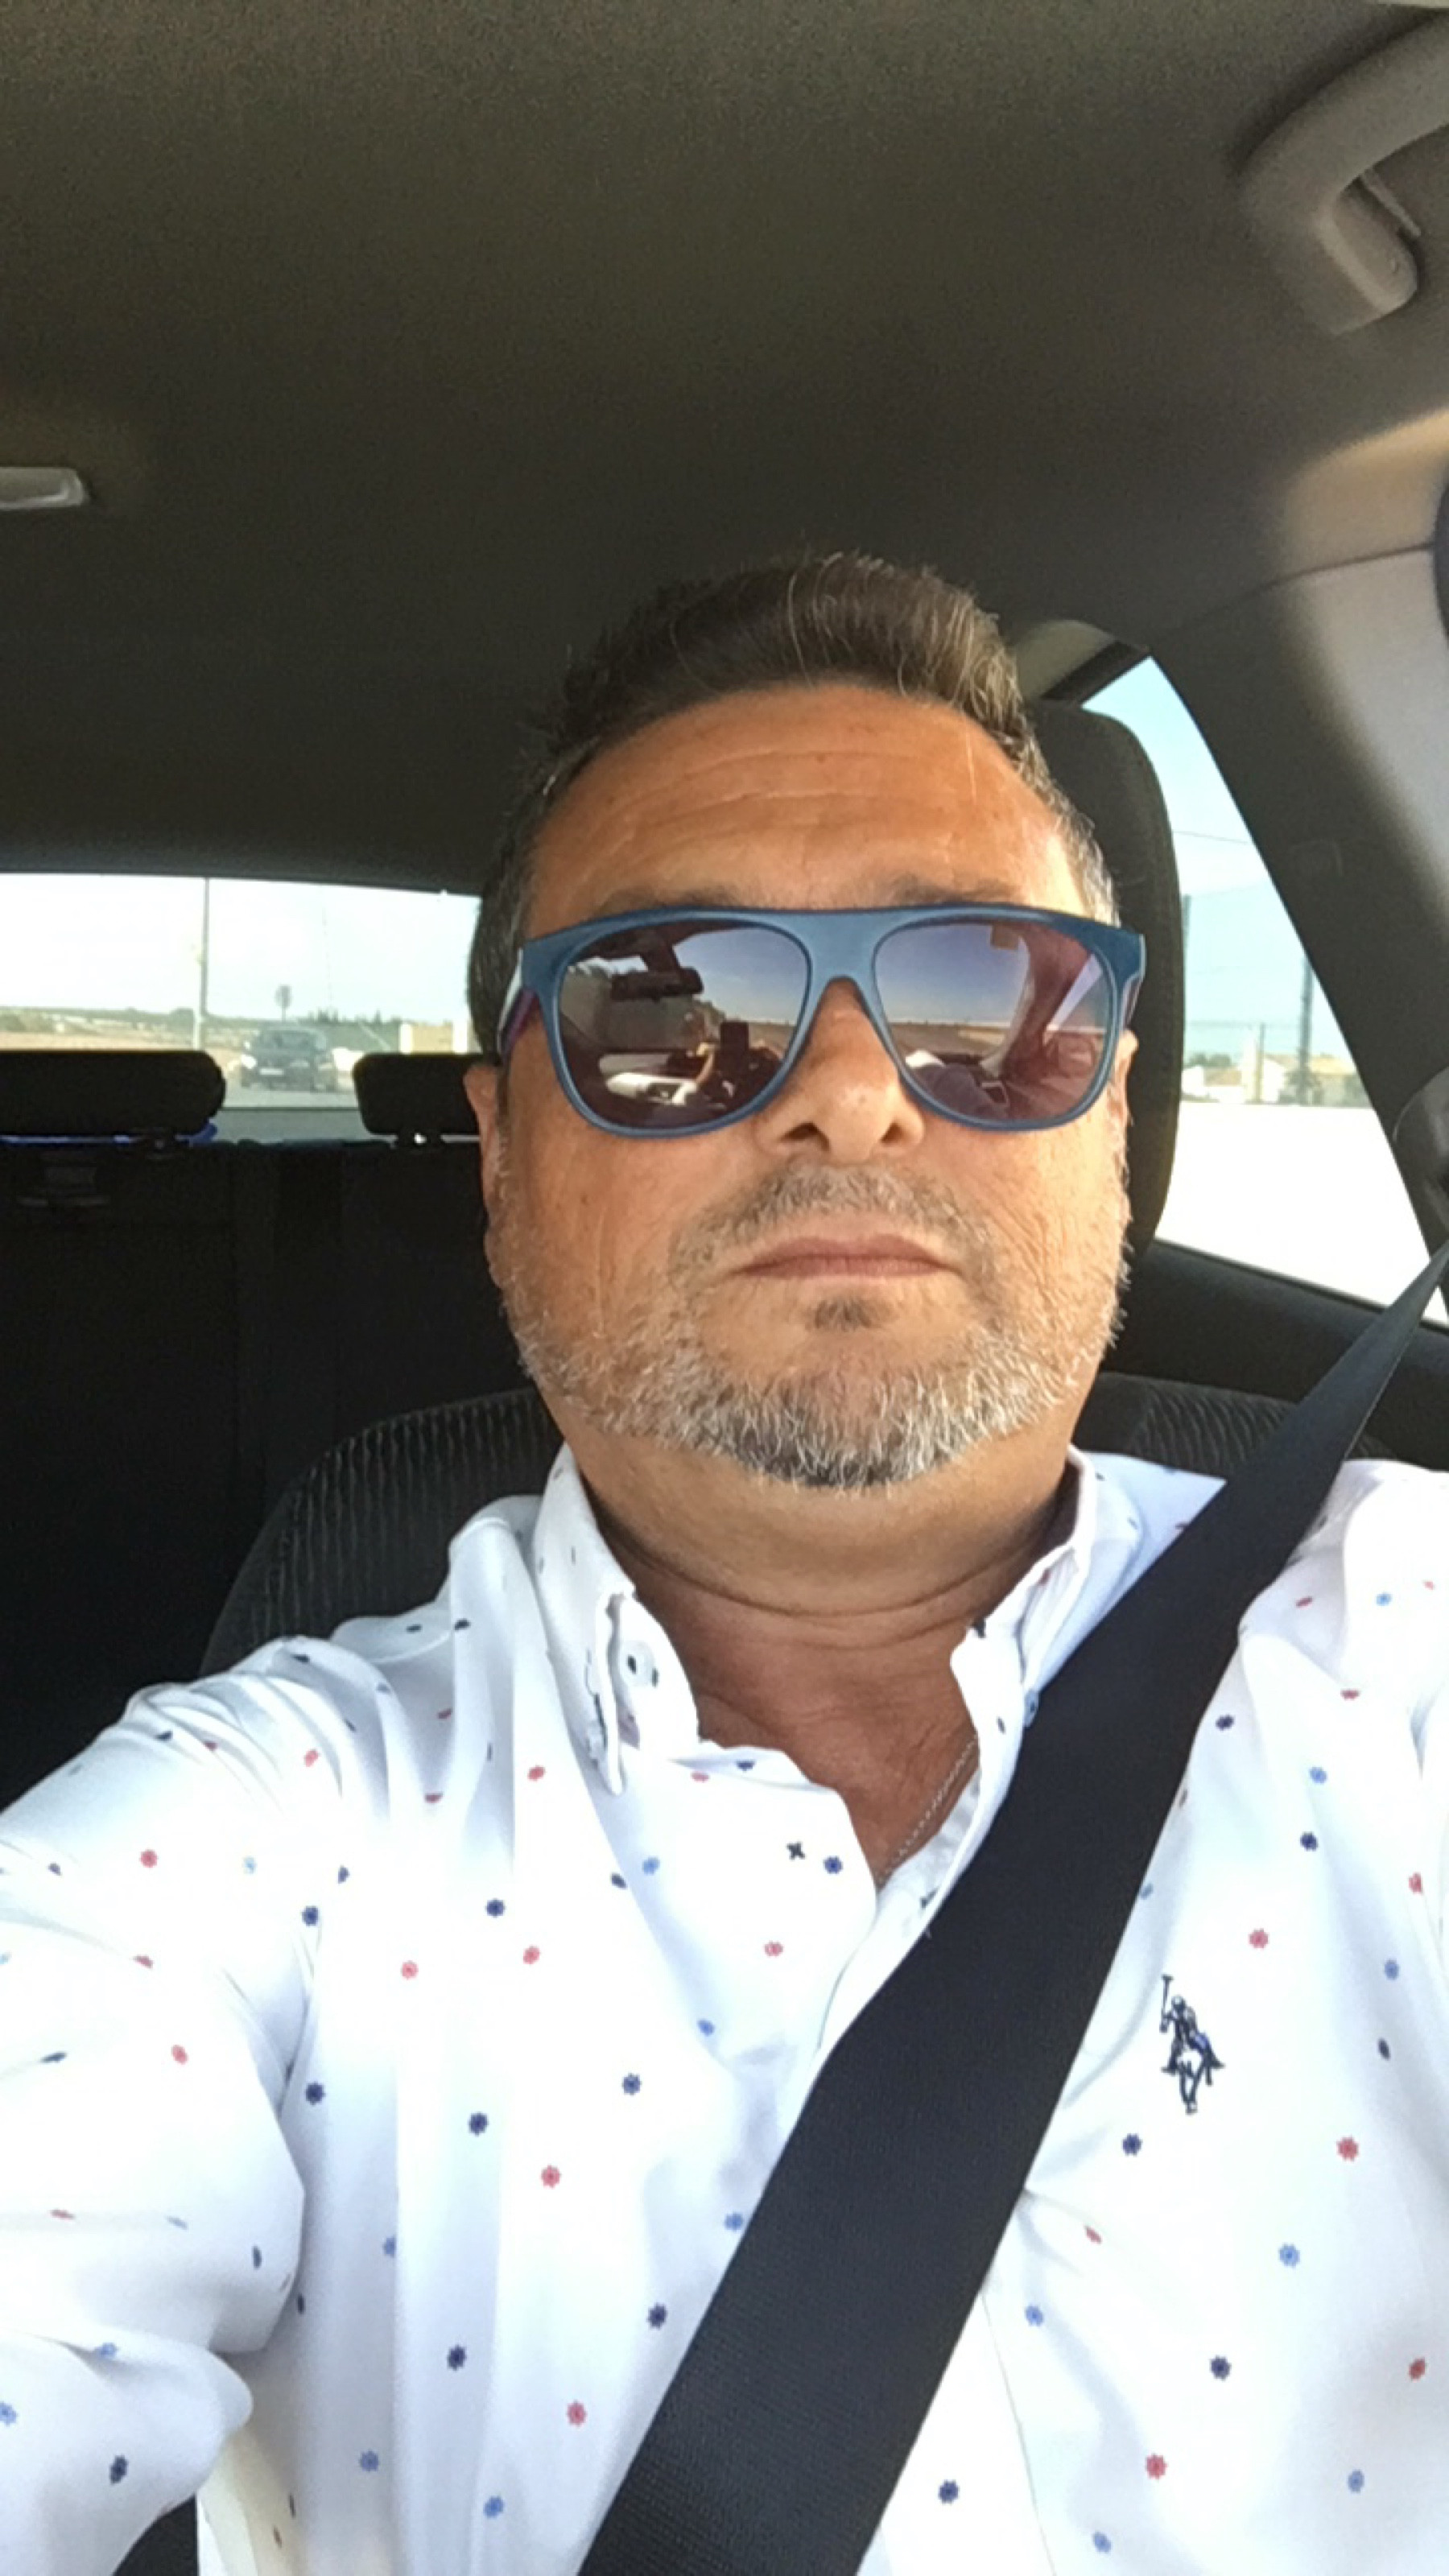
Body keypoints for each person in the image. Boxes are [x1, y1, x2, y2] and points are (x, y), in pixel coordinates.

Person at [2, 553, 1446, 2576]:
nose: (852, 1094)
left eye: (990, 1001)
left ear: (1111, 1113)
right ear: (504, 1154)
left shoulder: (1409, 1634)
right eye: (667, 1010)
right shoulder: (261, 1844)